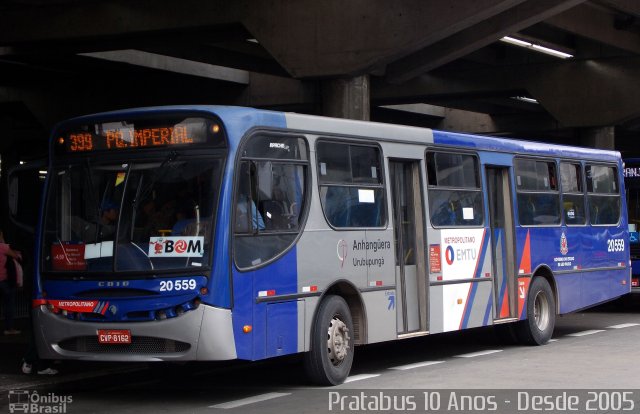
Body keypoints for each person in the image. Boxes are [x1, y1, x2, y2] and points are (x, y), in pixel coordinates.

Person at [0, 230, 22, 335]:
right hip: (4, 281)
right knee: (9, 305)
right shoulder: (3, 247)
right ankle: (9, 329)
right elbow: (16, 256)